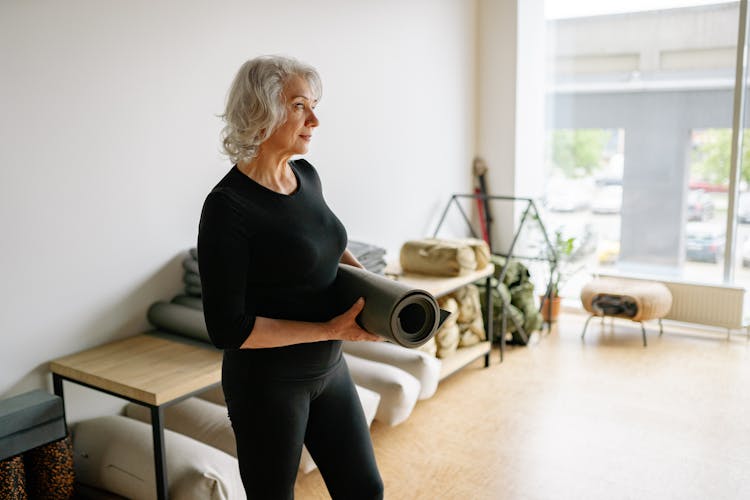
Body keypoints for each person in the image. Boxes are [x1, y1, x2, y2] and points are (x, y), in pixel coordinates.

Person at [197, 55, 385, 499]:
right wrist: (327, 328)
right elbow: (228, 329)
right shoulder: (227, 207)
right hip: (268, 385)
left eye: (313, 105)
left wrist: (384, 294)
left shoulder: (306, 175)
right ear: (262, 111)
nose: (315, 119)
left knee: (365, 489)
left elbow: (330, 244)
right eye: (301, 105)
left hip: (329, 369)